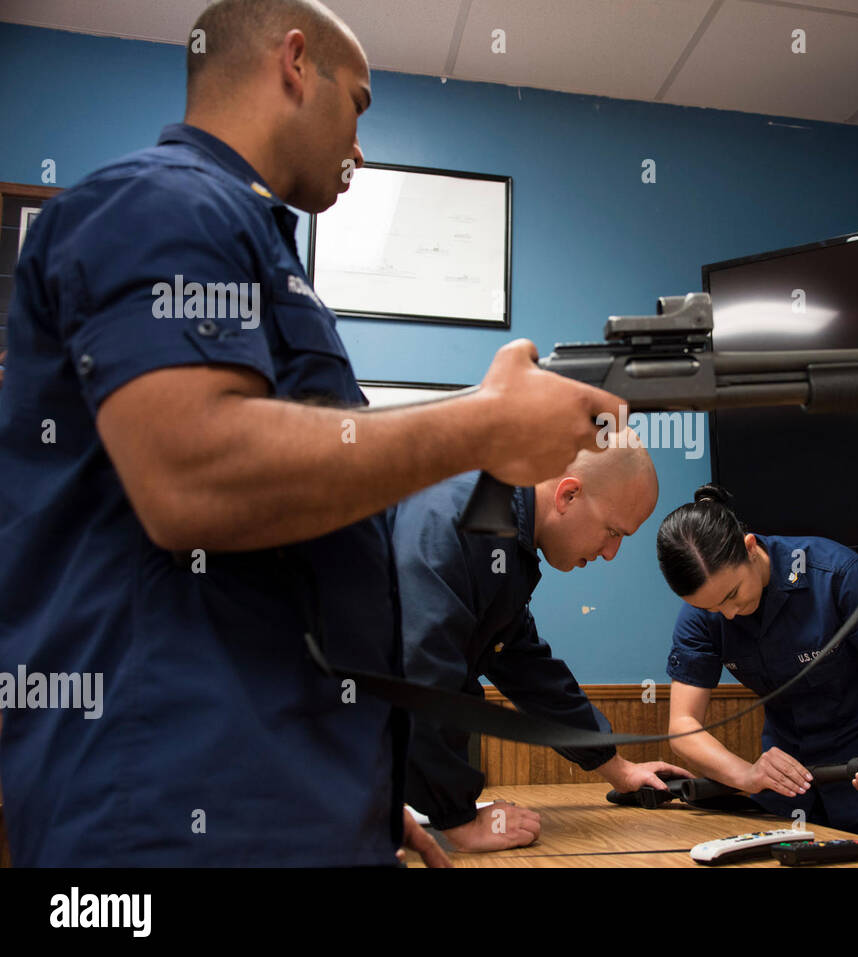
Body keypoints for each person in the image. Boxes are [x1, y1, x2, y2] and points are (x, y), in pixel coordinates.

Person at [0, 0, 621, 866]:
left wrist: (366, 798)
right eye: (358, 104)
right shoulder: (160, 203)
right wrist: (482, 424)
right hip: (164, 810)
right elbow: (194, 479)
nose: (359, 144)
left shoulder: (255, 252)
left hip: (283, 798)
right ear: (295, 62)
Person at [394, 431, 691, 851]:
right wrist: (458, 820)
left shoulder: (504, 537)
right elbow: (421, 668)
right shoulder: (461, 518)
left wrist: (617, 768)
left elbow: (528, 671)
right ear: (568, 495)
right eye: (612, 531)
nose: (611, 553)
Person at [656, 485, 858, 845]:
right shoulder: (701, 615)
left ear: (749, 547)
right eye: (711, 608)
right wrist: (747, 775)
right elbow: (682, 725)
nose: (727, 613)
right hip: (788, 790)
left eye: (732, 595)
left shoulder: (836, 574)